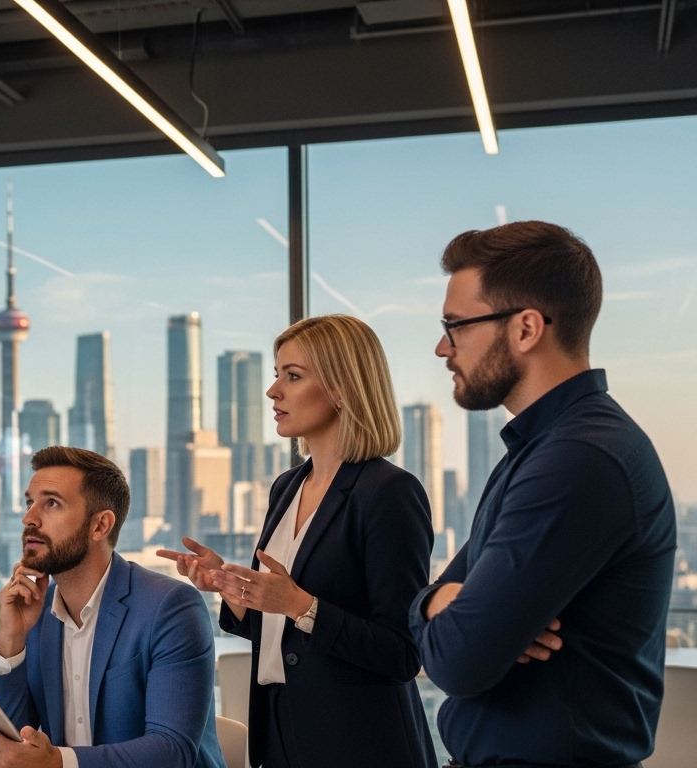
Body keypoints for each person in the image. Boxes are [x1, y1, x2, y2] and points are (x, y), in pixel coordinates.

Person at [413, 222, 676, 767]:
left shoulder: (578, 459)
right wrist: (438, 602)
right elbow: (437, 608)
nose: (442, 347)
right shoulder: (541, 448)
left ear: (526, 328)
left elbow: (458, 661)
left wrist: (463, 615)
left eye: (456, 326)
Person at [159, 314, 437, 768]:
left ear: (343, 387)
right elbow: (278, 631)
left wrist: (301, 606)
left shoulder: (388, 492)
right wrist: (234, 589)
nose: (273, 392)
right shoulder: (287, 487)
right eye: (276, 376)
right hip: (281, 732)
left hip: (360, 744)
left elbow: (403, 652)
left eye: (293, 376)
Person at [0, 446, 225, 768]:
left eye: (52, 503)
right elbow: (6, 745)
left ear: (100, 526)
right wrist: (11, 638)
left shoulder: (170, 608)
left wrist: (58, 762)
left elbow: (171, 752)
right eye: (30, 502)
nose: (29, 518)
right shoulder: (34, 611)